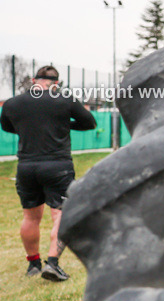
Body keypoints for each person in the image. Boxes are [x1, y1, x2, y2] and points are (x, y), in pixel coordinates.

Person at [1, 66, 96, 280]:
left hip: (26, 167)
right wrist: (62, 125)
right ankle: (52, 263)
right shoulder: (63, 99)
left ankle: (33, 264)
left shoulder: (13, 103)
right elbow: (89, 123)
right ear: (56, 83)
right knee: (61, 214)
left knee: (30, 217)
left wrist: (29, 128)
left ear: (34, 80)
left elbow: (6, 127)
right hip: (57, 167)